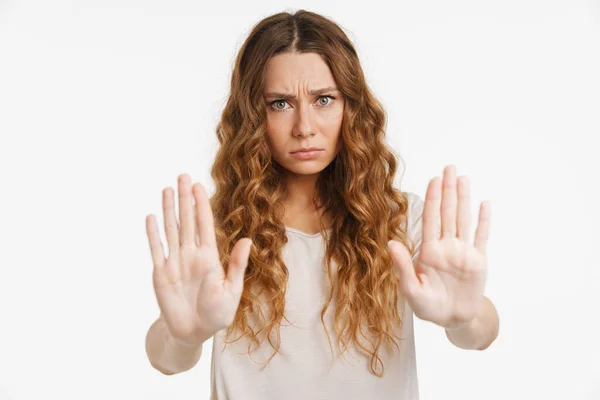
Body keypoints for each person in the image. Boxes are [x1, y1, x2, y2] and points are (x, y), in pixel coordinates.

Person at [144, 9, 499, 400]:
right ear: (252, 116)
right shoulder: (216, 227)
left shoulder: (401, 220)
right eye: (280, 103)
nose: (304, 127)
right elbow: (166, 359)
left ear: (351, 106)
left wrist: (463, 319)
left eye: (324, 99)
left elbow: (482, 332)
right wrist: (185, 335)